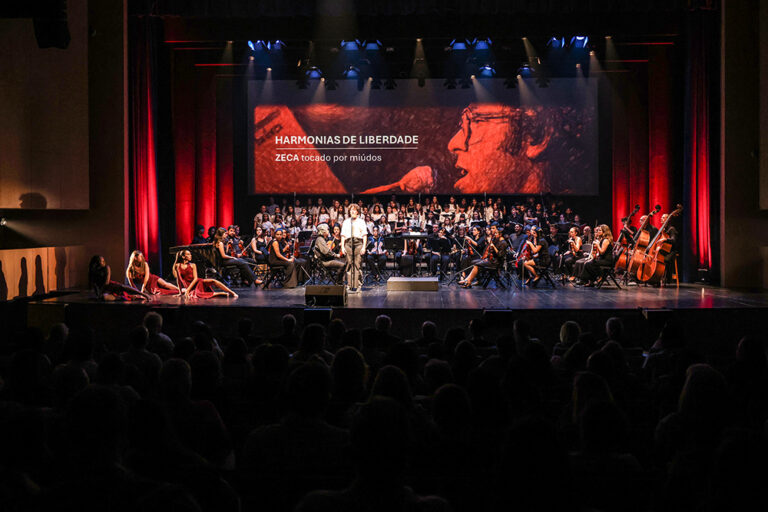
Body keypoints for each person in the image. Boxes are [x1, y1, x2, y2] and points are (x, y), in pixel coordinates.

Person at [459, 223, 508, 288]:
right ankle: (468, 280)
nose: (494, 234)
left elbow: (500, 255)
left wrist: (493, 247)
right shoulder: (497, 241)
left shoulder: (503, 243)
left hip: (495, 262)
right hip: (492, 260)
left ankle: (467, 280)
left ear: (500, 234)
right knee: (476, 264)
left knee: (476, 263)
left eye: (496, 233)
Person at [340, 204, 367, 293]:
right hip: (348, 243)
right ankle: (349, 285)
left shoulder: (361, 221)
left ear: (358, 212)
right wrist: (342, 247)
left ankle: (358, 285)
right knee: (349, 264)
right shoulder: (346, 222)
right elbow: (343, 235)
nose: (352, 211)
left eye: (354, 210)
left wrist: (364, 247)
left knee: (357, 264)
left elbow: (364, 235)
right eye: (351, 210)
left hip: (358, 243)